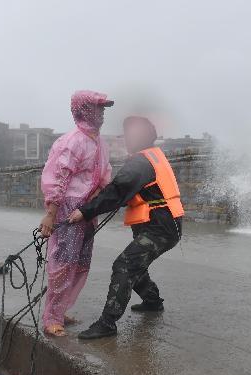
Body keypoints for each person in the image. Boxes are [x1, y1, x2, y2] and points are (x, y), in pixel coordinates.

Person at [68, 116, 184, 340]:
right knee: (136, 264)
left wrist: (85, 211)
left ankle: (107, 322)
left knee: (124, 265)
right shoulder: (150, 156)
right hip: (161, 222)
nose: (126, 140)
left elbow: (116, 191)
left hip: (160, 226)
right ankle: (152, 302)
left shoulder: (141, 161)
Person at [38, 90, 114, 336]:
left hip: (87, 210)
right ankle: (52, 318)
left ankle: (60, 310)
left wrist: (100, 194)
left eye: (103, 109)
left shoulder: (99, 142)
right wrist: (51, 212)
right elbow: (58, 177)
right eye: (97, 108)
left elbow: (105, 172)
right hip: (68, 209)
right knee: (63, 263)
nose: (102, 113)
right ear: (83, 110)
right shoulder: (72, 142)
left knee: (80, 263)